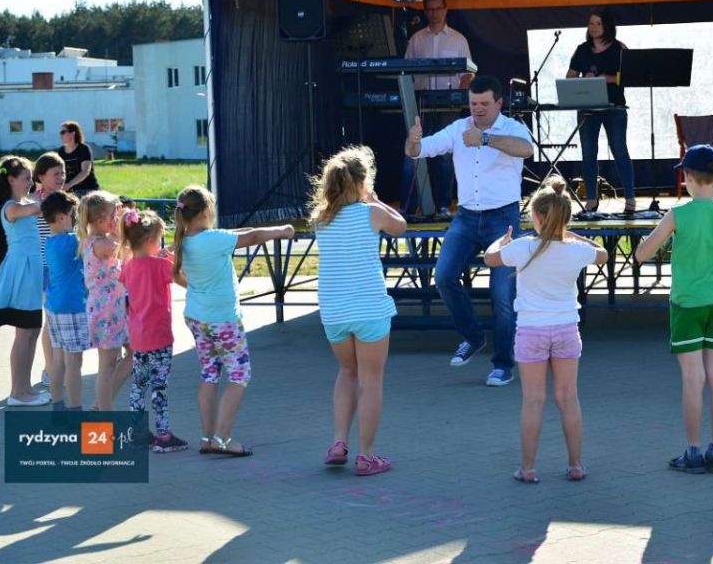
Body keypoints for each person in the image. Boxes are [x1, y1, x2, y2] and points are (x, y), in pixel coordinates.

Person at [405, 76, 533, 386]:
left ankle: (503, 364)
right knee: (443, 276)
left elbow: (526, 150)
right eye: (473, 103)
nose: (478, 109)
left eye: (484, 104)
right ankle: (474, 336)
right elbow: (419, 151)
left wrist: (486, 139)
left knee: (502, 295)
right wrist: (413, 141)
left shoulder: (512, 127)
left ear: (499, 103)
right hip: (465, 217)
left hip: (502, 218)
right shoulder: (458, 128)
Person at [485, 177, 607, 483]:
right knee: (568, 398)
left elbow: (489, 259)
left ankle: (527, 469)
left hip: (531, 331)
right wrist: (574, 236)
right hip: (566, 329)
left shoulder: (522, 248)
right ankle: (576, 464)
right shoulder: (575, 250)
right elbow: (602, 254)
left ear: (537, 218)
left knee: (533, 400)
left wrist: (501, 242)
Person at [635, 145, 713, 474]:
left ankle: (693, 451)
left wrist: (653, 243)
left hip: (686, 305)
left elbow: (642, 254)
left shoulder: (677, 214)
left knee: (692, 378)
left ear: (687, 177)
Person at [173, 185, 294, 457]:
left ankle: (206, 438)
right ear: (206, 212)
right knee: (239, 375)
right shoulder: (214, 239)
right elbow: (253, 236)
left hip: (196, 317)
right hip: (223, 320)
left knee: (209, 374)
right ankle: (223, 438)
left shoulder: (184, 240)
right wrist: (281, 230)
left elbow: (239, 234)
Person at [310, 146, 406, 476]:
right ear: (364, 182)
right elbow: (400, 226)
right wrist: (375, 200)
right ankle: (366, 455)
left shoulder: (321, 219)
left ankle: (338, 442)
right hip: (369, 308)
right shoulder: (371, 213)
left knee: (346, 372)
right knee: (371, 381)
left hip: (334, 311)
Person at [119, 208, 188, 453]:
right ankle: (163, 435)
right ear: (150, 241)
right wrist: (171, 259)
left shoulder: (128, 267)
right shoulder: (160, 265)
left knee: (139, 384)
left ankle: (138, 433)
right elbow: (185, 281)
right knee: (159, 386)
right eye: (159, 239)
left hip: (139, 337)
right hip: (159, 336)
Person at [401, 0, 475, 218]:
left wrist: (457, 96)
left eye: (438, 8)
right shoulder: (416, 39)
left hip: (447, 105)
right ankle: (408, 207)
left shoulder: (458, 39)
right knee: (414, 153)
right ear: (425, 12)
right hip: (420, 104)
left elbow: (469, 72)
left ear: (445, 10)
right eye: (430, 9)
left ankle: (443, 205)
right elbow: (405, 71)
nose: (434, 13)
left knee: (445, 156)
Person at [0, 156, 50, 406]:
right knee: (24, 333)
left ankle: (25, 388)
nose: (30, 182)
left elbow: (34, 205)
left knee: (32, 331)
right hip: (21, 273)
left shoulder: (23, 202)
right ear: (11, 180)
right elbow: (35, 208)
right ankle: (17, 393)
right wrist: (50, 197)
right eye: (26, 178)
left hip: (31, 272)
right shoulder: (11, 207)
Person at [564, 9, 636, 214]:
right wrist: (583, 79)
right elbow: (569, 77)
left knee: (619, 149)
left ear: (607, 26)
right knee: (588, 152)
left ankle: (630, 198)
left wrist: (606, 79)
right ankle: (591, 200)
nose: (594, 28)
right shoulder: (582, 50)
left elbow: (631, 75)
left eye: (598, 23)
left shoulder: (619, 48)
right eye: (591, 24)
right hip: (588, 108)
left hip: (614, 107)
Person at [78, 191, 131, 411]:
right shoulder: (101, 243)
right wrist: (123, 231)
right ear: (101, 221)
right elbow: (130, 253)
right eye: (114, 214)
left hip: (115, 308)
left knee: (135, 352)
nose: (118, 216)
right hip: (106, 310)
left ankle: (101, 404)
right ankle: (104, 417)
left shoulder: (105, 239)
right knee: (107, 366)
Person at [41, 191, 89, 411]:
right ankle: (76, 410)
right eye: (73, 215)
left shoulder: (51, 242)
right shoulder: (71, 241)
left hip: (54, 306)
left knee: (58, 359)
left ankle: (58, 406)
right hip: (72, 307)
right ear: (61, 217)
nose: (76, 219)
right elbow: (91, 239)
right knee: (74, 363)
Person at [33, 151, 68, 388]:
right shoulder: (33, 202)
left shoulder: (66, 200)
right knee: (51, 319)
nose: (61, 177)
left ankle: (59, 367)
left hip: (65, 269)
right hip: (46, 268)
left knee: (62, 319)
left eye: (63, 173)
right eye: (56, 174)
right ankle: (50, 369)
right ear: (41, 177)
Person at [57, 120, 100, 196]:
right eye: (60, 132)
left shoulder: (83, 149)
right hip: (69, 190)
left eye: (63, 132)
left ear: (73, 133)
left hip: (87, 189)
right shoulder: (61, 151)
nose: (61, 135)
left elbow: (85, 171)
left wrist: (69, 184)